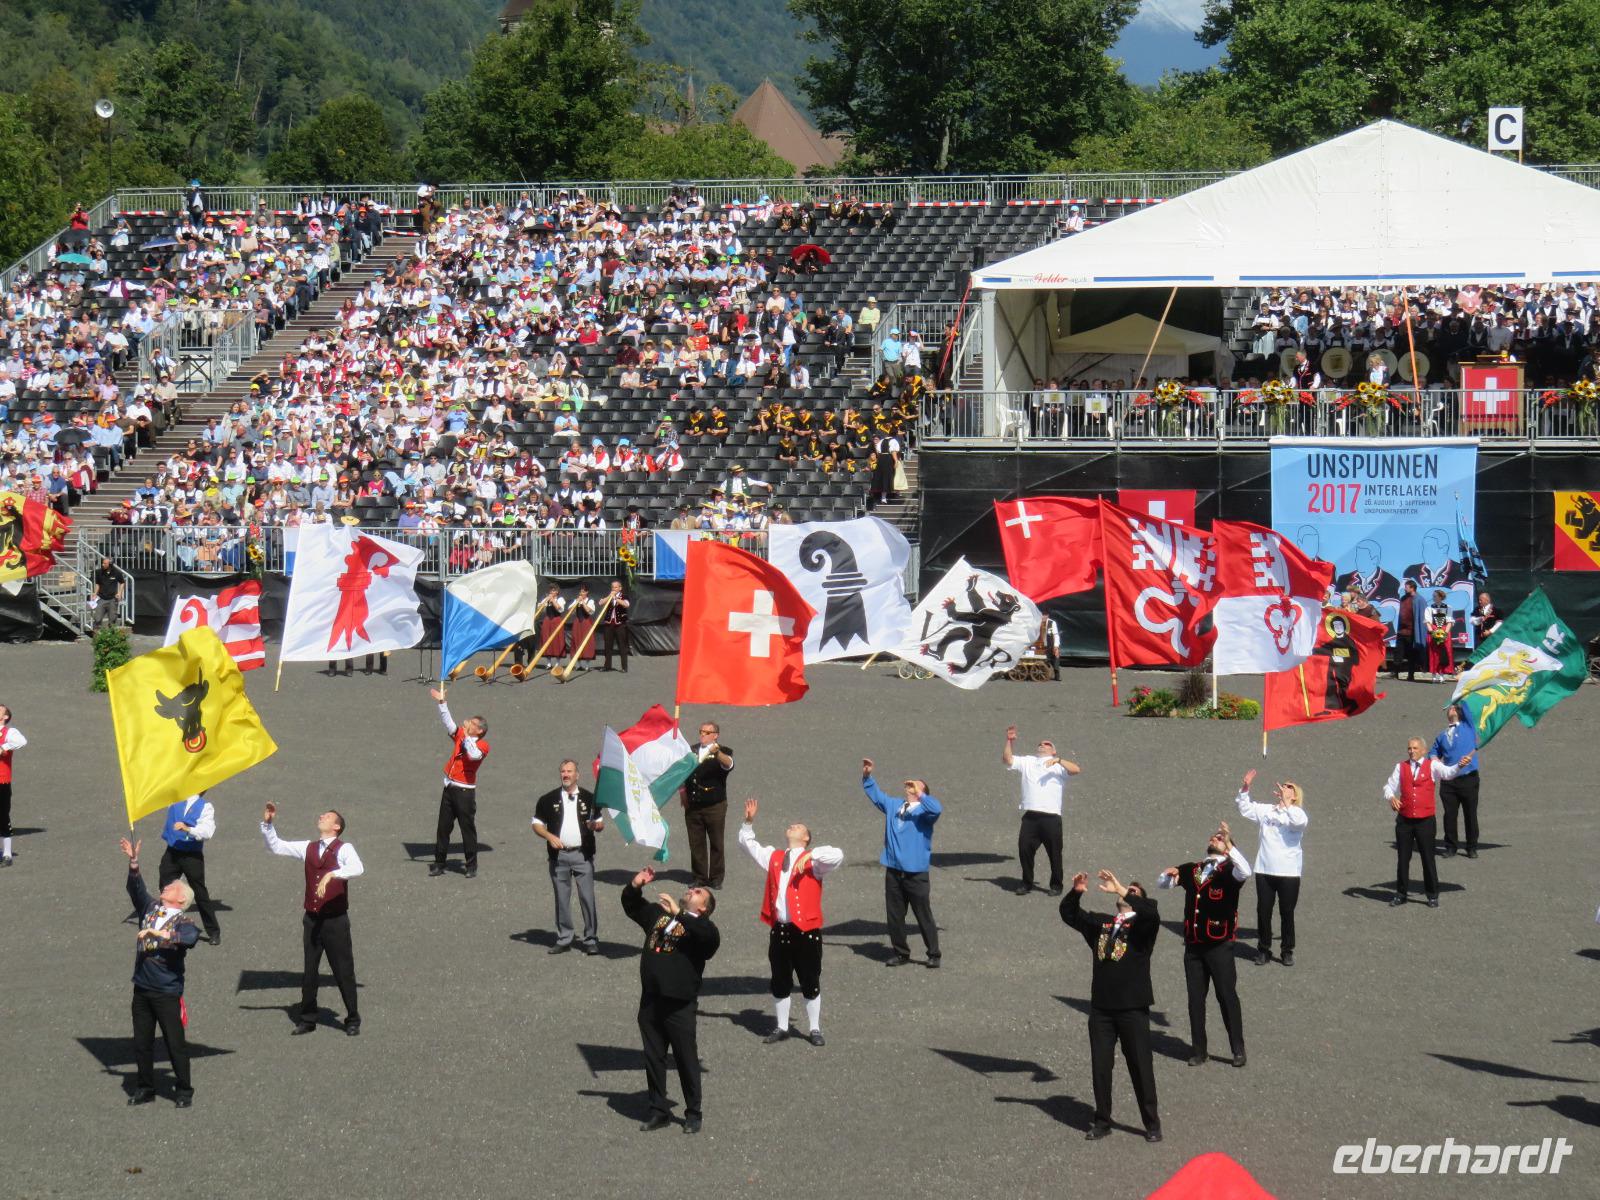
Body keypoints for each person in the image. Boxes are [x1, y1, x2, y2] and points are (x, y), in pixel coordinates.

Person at [1060, 869, 1161, 1143]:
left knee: (1140, 1065)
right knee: (1101, 1067)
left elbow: (1151, 914)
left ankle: (1151, 1123)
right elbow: (1070, 915)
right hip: (1102, 1009)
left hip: (1132, 1008)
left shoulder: (1143, 928)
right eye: (1127, 890)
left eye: (1134, 891)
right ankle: (1102, 1120)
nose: (1128, 892)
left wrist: (1121, 889)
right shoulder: (1103, 924)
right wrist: (1076, 893)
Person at [622, 866, 720, 1133]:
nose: (691, 889)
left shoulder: (705, 929)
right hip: (651, 1000)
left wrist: (680, 914)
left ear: (703, 908)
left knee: (686, 1058)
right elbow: (631, 906)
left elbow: (707, 940)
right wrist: (635, 884)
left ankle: (693, 1113)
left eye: (698, 891)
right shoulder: (659, 915)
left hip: (679, 1004)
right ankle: (658, 1110)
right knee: (653, 1057)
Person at [738, 797, 843, 1046]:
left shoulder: (815, 862)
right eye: (792, 825)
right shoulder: (774, 857)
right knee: (780, 979)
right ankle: (782, 1026)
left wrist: (812, 855)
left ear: (806, 838)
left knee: (810, 979)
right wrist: (748, 822)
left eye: (799, 826)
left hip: (806, 930)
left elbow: (838, 855)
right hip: (781, 929)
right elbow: (747, 844)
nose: (793, 826)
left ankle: (815, 1028)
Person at [260, 802, 364, 1035]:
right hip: (313, 919)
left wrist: (333, 874)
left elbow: (358, 868)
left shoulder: (344, 849)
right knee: (310, 970)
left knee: (343, 969)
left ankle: (352, 1018)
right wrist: (268, 824)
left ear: (336, 826)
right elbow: (276, 846)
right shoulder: (308, 847)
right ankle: (308, 1018)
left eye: (327, 816)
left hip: (335, 921)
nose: (321, 817)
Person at [1158, 822, 1252, 1068]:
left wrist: (1230, 845)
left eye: (1220, 839)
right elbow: (1163, 884)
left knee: (1226, 996)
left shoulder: (1232, 870)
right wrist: (1167, 877)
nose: (1215, 838)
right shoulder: (1193, 868)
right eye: (1215, 837)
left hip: (1219, 944)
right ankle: (1200, 1050)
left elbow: (1246, 871)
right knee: (1195, 999)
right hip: (1193, 945)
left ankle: (1237, 1048)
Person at [120, 836, 200, 1107]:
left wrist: (157, 932)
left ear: (181, 898)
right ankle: (145, 1088)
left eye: (172, 886)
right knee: (141, 1042)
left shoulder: (184, 921)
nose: (166, 886)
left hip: (166, 991)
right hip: (142, 986)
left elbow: (188, 938)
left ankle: (184, 1090)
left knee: (174, 1043)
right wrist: (133, 863)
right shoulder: (152, 907)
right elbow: (136, 890)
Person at [861, 756, 942, 968]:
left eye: (915, 786)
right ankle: (901, 953)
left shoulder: (925, 812)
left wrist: (921, 793)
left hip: (916, 874)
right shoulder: (895, 805)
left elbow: (937, 808)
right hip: (894, 872)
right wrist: (868, 775)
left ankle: (934, 954)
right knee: (894, 916)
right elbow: (876, 796)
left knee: (923, 914)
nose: (910, 788)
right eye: (909, 785)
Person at [1382, 737, 1473, 907]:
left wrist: (1460, 764)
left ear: (1423, 750)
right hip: (1405, 821)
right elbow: (1388, 786)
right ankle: (1401, 893)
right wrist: (1391, 797)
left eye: (1415, 748)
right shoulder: (1400, 767)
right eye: (1409, 748)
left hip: (1425, 821)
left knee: (1428, 858)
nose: (1411, 751)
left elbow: (1448, 773)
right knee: (1403, 858)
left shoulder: (1432, 765)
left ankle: (1432, 894)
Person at [531, 759, 605, 955]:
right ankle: (564, 938)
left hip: (582, 855)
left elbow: (599, 823)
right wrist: (548, 836)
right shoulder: (547, 799)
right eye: (563, 771)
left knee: (587, 897)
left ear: (577, 775)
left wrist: (595, 826)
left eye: (569, 771)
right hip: (559, 856)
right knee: (561, 898)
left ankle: (590, 939)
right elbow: (536, 824)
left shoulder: (590, 798)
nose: (566, 774)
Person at [1233, 770, 1307, 966]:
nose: (1285, 787)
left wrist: (1288, 804)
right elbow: (1245, 808)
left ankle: (1287, 950)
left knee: (1286, 912)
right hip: (1264, 869)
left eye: (1289, 787)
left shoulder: (1297, 813)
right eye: (1284, 785)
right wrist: (1245, 788)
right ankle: (1263, 949)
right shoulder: (1267, 811)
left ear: (1295, 795)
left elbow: (1298, 823)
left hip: (1289, 872)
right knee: (1263, 910)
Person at [1001, 725, 1080, 897]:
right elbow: (1007, 759)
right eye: (1040, 744)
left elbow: (1076, 770)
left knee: (1054, 853)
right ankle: (1027, 882)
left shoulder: (1059, 766)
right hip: (1031, 816)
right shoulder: (1028, 761)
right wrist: (1009, 741)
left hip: (1051, 817)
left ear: (1053, 751)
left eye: (1047, 744)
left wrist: (1059, 760)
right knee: (1024, 849)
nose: (1042, 745)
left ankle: (1056, 884)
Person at [427, 689, 489, 878]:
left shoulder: (482, 745)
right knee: (443, 828)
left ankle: (471, 866)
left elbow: (473, 755)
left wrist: (467, 737)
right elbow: (449, 723)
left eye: (472, 723)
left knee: (467, 829)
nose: (467, 723)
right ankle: (439, 863)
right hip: (450, 787)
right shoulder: (462, 734)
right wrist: (442, 703)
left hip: (465, 791)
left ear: (480, 730)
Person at [158, 793, 222, 946]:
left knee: (200, 892)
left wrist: (188, 829)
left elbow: (208, 832)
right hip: (172, 851)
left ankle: (213, 931)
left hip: (192, 856)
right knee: (165, 888)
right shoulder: (175, 799)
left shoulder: (205, 806)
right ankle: (164, 924)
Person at [681, 722, 733, 889]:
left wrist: (717, 752)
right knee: (696, 843)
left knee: (716, 842)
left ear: (715, 735)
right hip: (693, 804)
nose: (702, 735)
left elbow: (728, 764)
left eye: (707, 732)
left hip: (714, 805)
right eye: (701, 731)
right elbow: (682, 771)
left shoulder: (723, 751)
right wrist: (683, 793)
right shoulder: (691, 750)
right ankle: (699, 877)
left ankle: (716, 878)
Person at [1431, 702, 1481, 859]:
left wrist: (1462, 688)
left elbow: (1466, 705)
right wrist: (1437, 763)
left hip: (1468, 778)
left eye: (1455, 707)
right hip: (1449, 781)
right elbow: (1433, 752)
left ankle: (1471, 846)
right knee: (1450, 815)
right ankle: (1451, 846)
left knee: (1470, 814)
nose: (1452, 708)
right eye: (1450, 708)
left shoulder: (1468, 726)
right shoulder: (1441, 735)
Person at [0, 705, 24, 866]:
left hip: (1, 780)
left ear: (6, 716)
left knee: (2, 816)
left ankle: (7, 854)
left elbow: (22, 741)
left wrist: (3, 747)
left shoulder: (9, 733)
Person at [1391, 580, 1424, 681]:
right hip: (1402, 631)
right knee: (1398, 653)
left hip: (1412, 632)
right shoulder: (1403, 598)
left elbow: (1421, 616)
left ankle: (1411, 675)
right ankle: (1395, 673)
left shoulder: (1419, 599)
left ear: (1412, 588)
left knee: (1411, 654)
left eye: (1406, 587)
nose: (1405, 588)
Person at [600, 580, 631, 671]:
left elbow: (626, 605)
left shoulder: (624, 596)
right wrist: (610, 596)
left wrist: (615, 598)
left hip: (620, 625)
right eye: (613, 587)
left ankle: (624, 667)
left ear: (620, 588)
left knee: (622, 646)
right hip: (609, 624)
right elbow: (601, 603)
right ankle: (607, 666)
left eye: (616, 587)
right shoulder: (609, 596)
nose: (614, 589)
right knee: (607, 646)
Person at [91, 556, 122, 629]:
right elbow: (98, 584)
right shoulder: (99, 572)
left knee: (113, 619)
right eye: (102, 563)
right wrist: (95, 593)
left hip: (112, 599)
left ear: (110, 564)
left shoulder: (116, 572)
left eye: (105, 563)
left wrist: (120, 593)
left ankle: (111, 636)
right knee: (97, 619)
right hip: (101, 598)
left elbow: (122, 582)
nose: (102, 564)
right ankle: (97, 636)